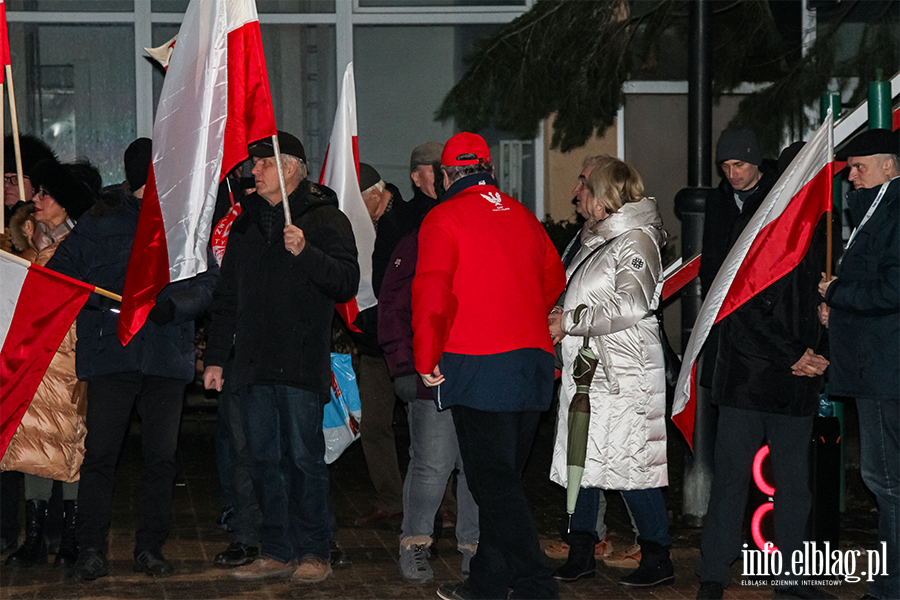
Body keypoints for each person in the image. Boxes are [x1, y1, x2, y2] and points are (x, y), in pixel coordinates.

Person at [47, 138, 219, 581]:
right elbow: (62, 279)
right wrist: (97, 302)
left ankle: (150, 547)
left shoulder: (183, 222)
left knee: (161, 458)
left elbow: (208, 282)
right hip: (112, 354)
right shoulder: (99, 220)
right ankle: (91, 548)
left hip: (165, 354)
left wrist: (173, 307)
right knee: (101, 455)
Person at [412, 132, 566, 600]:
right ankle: (487, 584)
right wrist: (519, 314)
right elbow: (553, 277)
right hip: (533, 364)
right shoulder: (521, 215)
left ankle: (538, 583)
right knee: (505, 484)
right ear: (489, 169)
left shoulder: (443, 218)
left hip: (479, 365)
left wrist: (426, 356)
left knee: (492, 484)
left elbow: (432, 294)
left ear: (444, 176)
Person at [203, 131, 359, 584]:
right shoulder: (246, 224)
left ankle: (314, 550)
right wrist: (216, 359)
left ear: (289, 168)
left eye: (262, 163)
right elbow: (227, 297)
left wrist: (306, 252)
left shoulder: (325, 218)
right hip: (252, 364)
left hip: (299, 362)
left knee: (303, 460)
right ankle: (276, 549)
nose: (254, 171)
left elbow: (345, 282)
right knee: (261, 459)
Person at [695, 135, 832, 600]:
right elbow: (738, 308)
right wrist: (795, 353)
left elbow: (815, 301)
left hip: (797, 378)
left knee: (795, 485)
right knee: (731, 481)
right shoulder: (758, 228)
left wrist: (826, 328)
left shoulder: (819, 228)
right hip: (750, 376)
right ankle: (714, 571)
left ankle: (793, 579)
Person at [547, 157, 671, 588]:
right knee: (582, 457)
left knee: (632, 462)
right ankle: (581, 548)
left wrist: (569, 321)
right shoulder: (593, 238)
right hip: (590, 367)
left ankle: (658, 554)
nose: (576, 193)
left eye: (584, 185)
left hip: (625, 371)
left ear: (604, 197)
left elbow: (632, 305)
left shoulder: (636, 239)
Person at [378, 143, 479, 583]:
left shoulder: (479, 235)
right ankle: (415, 544)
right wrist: (402, 365)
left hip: (477, 369)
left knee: (475, 466)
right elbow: (394, 306)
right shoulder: (420, 237)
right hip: (431, 372)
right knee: (432, 464)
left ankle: (475, 549)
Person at [2, 159, 100, 569]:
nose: (35, 200)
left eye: (45, 194)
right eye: (36, 193)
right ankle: (36, 536)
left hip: (69, 362)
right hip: (32, 359)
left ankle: (71, 537)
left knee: (70, 442)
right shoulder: (25, 245)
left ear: (67, 203)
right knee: (32, 445)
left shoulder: (80, 246)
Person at [820, 128, 900, 600]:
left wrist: (837, 294)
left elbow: (892, 289)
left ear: (889, 166)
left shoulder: (891, 213)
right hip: (878, 365)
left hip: (884, 369)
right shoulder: (877, 207)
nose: (850, 176)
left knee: (885, 480)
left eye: (859, 167)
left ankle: (890, 587)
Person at [0, 134, 58, 552]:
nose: (5, 184)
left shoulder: (41, 229)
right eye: (1, 177)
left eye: (13, 176)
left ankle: (46, 527)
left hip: (36, 345)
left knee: (40, 439)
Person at [352, 162, 406, 529]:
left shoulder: (402, 222)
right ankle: (390, 499)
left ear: (374, 194)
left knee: (425, 428)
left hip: (404, 343)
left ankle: (443, 505)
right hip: (372, 343)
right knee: (373, 425)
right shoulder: (365, 224)